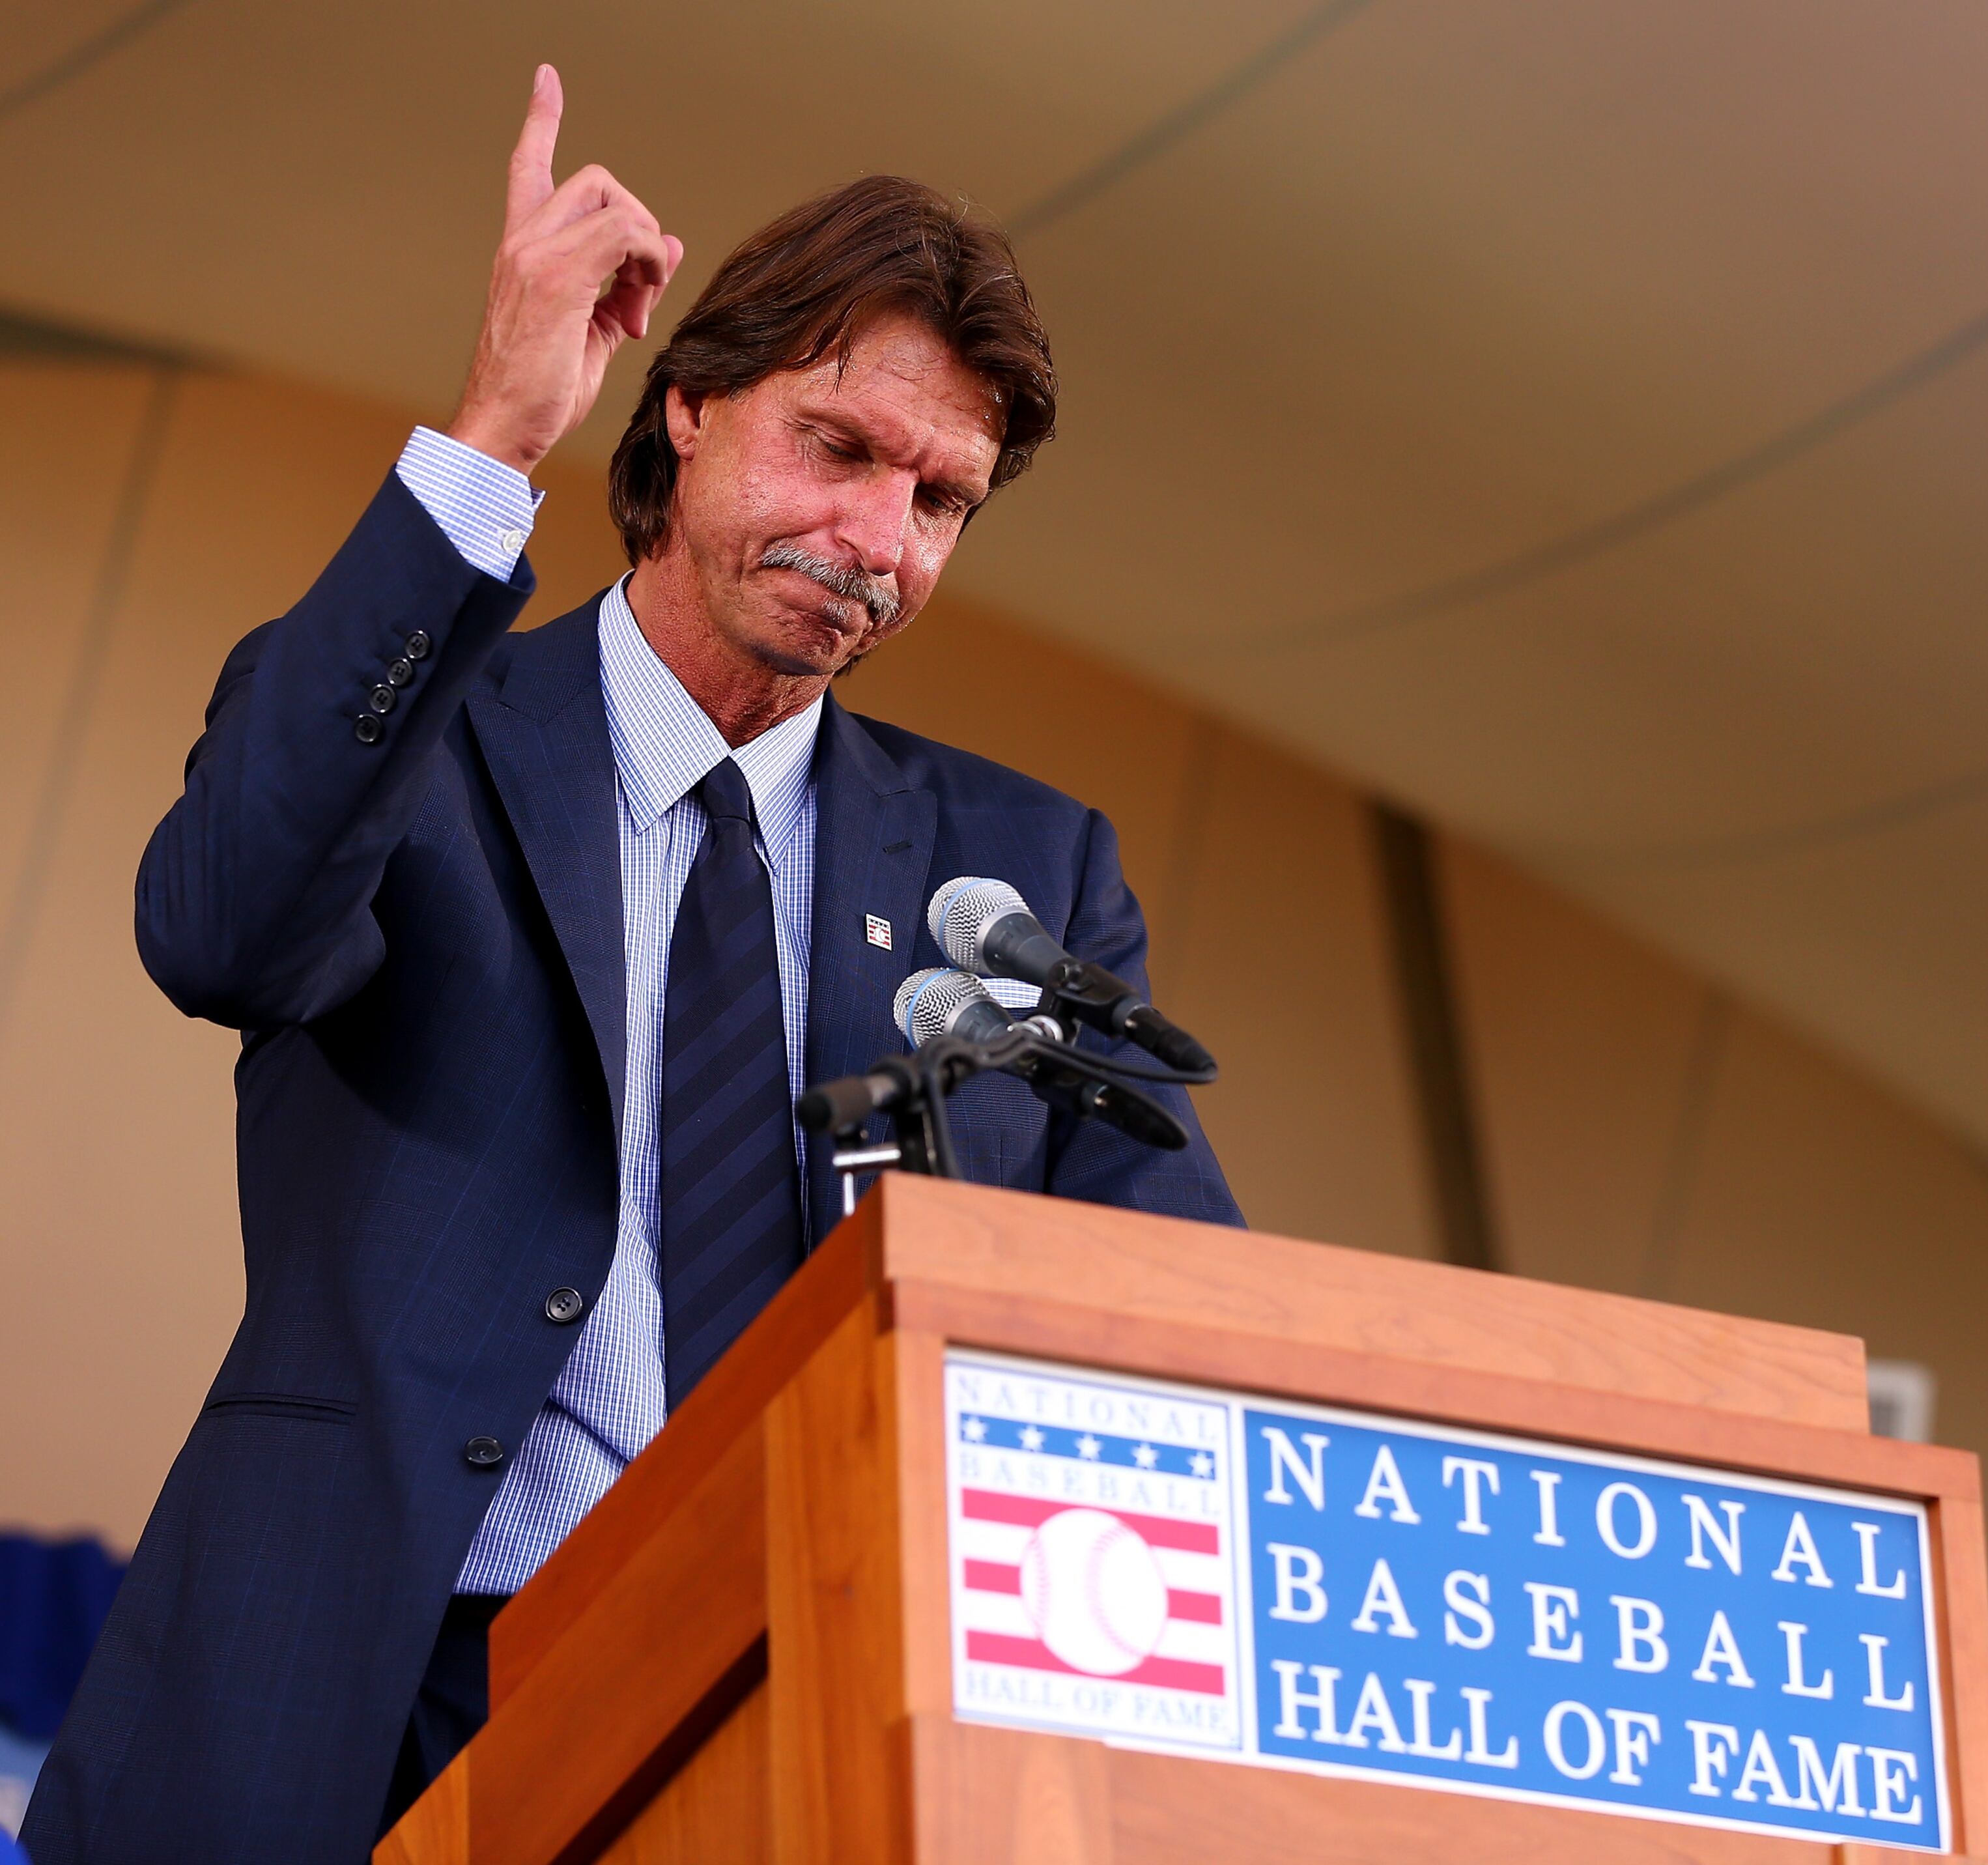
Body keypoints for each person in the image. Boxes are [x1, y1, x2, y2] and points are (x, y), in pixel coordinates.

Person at [23, 66, 1238, 1865]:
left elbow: (1174, 1303)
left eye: (939, 500)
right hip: (356, 1700)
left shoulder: (1025, 868)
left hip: (799, 1718)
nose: (878, 541)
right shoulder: (411, 728)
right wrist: (491, 440)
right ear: (685, 412)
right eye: (838, 447)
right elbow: (215, 929)